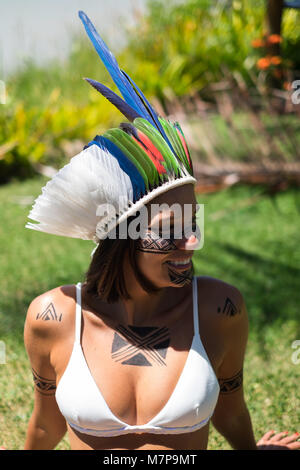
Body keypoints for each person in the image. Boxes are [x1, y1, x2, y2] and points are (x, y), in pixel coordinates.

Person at [20, 11, 299, 451]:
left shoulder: (218, 309)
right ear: (119, 237)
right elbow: (45, 424)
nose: (190, 243)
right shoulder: (53, 318)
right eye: (169, 231)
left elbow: (230, 410)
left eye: (193, 225)